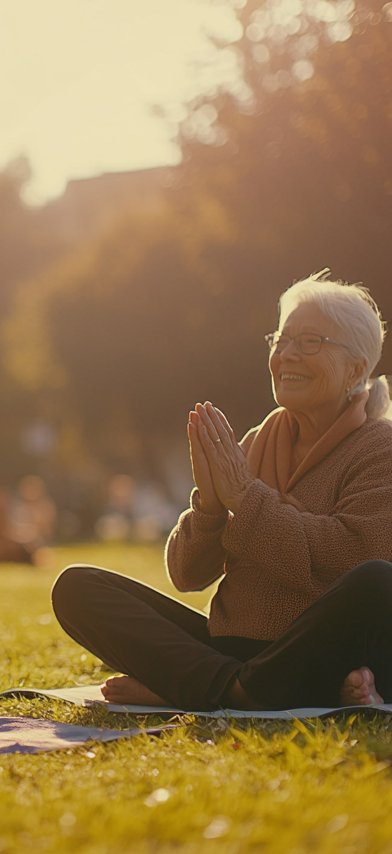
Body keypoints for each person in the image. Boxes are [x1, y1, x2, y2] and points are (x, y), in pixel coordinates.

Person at [52, 272, 392, 711]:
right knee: (78, 587)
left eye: (310, 342)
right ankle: (241, 686)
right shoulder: (257, 441)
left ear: (357, 369)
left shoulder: (379, 448)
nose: (286, 354)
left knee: (378, 580)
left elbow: (350, 558)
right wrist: (210, 507)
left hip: (317, 648)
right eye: (281, 339)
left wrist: (246, 499)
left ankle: (205, 686)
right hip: (232, 649)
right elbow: (187, 575)